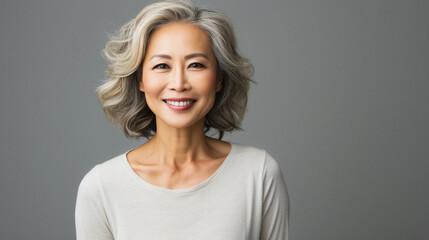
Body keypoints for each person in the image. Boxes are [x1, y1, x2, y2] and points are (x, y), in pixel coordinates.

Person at [75, 0, 289, 239]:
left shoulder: (258, 173)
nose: (178, 84)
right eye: (162, 66)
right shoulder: (101, 187)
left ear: (219, 79)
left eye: (195, 65)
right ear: (140, 80)